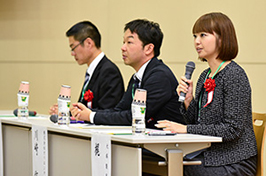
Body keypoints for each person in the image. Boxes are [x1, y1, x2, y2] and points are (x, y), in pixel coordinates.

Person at [157, 12, 257, 176]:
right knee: (163, 166)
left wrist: (185, 129)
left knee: (181, 169)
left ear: (222, 38)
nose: (197, 41)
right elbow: (197, 122)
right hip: (210, 155)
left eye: (203, 35)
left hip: (235, 161)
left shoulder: (234, 75)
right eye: (195, 36)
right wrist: (189, 101)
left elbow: (231, 130)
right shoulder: (205, 75)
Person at [70, 19, 185, 128]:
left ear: (149, 49)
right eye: (123, 42)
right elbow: (119, 110)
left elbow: (135, 117)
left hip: (168, 145)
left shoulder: (159, 76)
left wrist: (91, 116)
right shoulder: (138, 76)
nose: (123, 47)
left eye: (129, 42)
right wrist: (84, 112)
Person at [49, 21, 124, 115]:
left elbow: (108, 113)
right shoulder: (92, 71)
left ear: (89, 43)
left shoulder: (109, 71)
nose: (72, 53)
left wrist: (70, 113)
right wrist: (66, 112)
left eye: (73, 47)